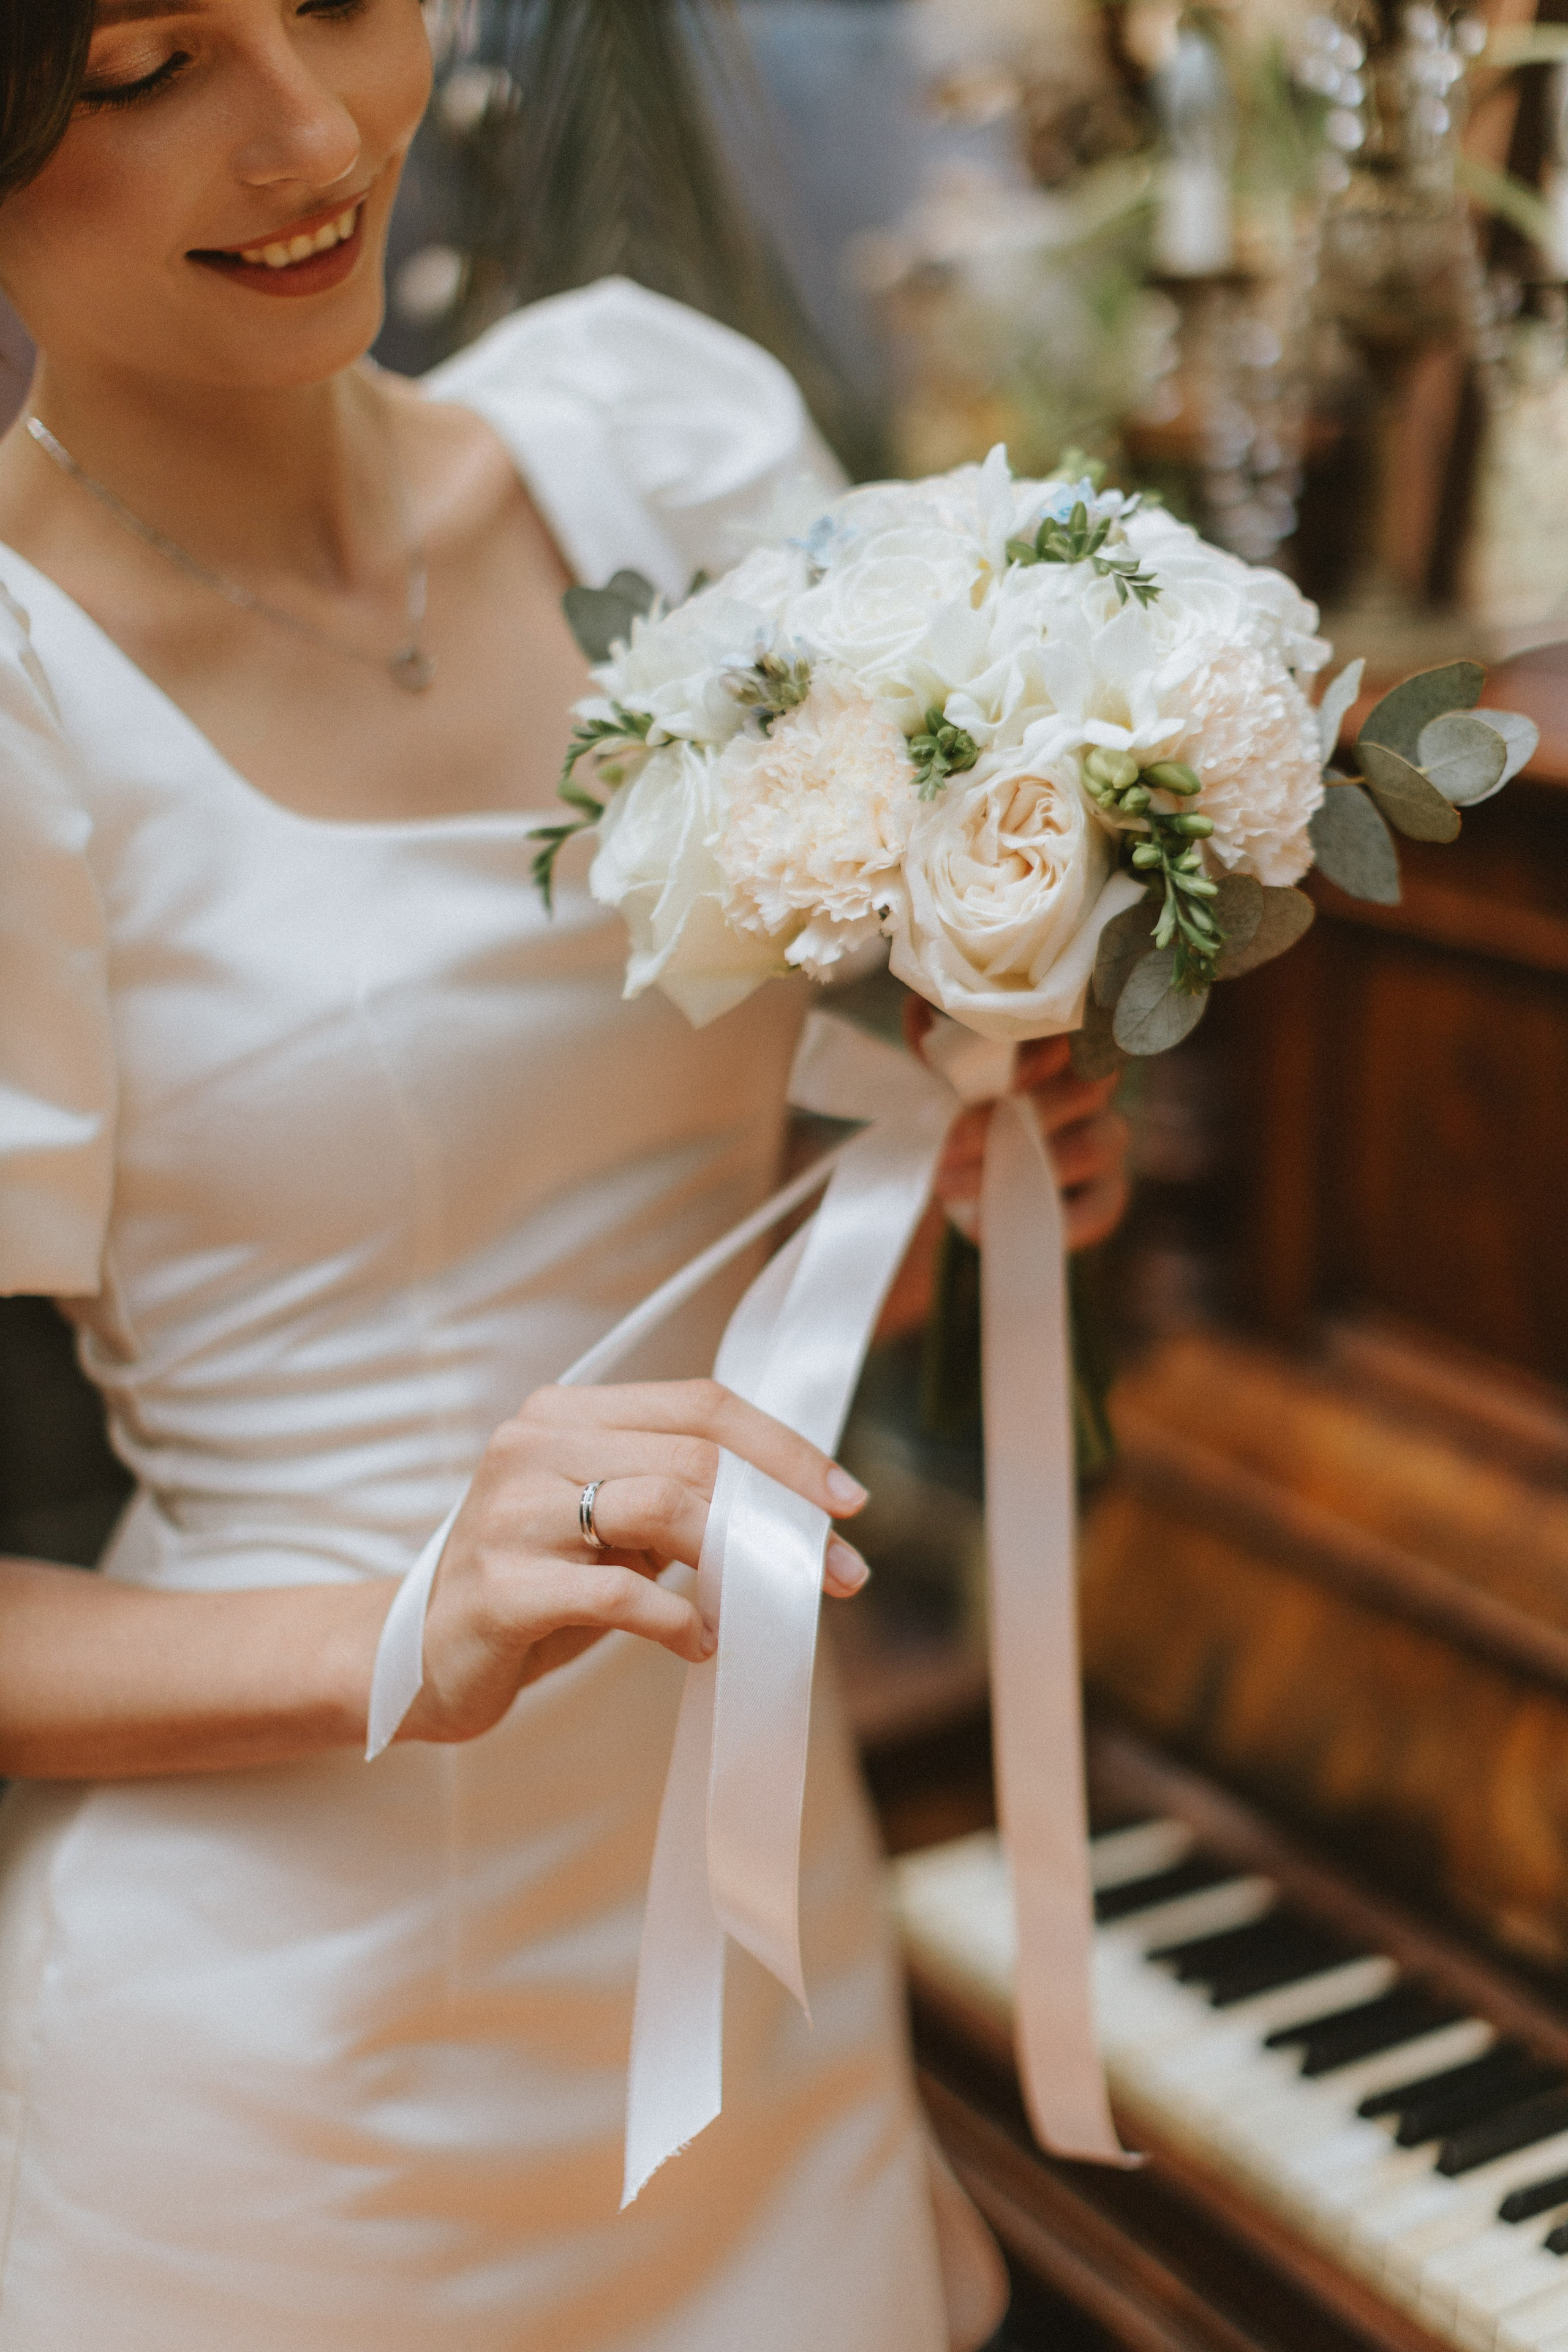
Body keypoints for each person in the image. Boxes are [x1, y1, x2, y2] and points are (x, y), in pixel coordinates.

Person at [0, 4, 1131, 2346]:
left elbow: (701, 1349)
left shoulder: (660, 459)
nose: (312, 135)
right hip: (290, 2098)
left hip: (746, 1961)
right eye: (143, 67)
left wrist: (936, 1209)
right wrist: (401, 1629)